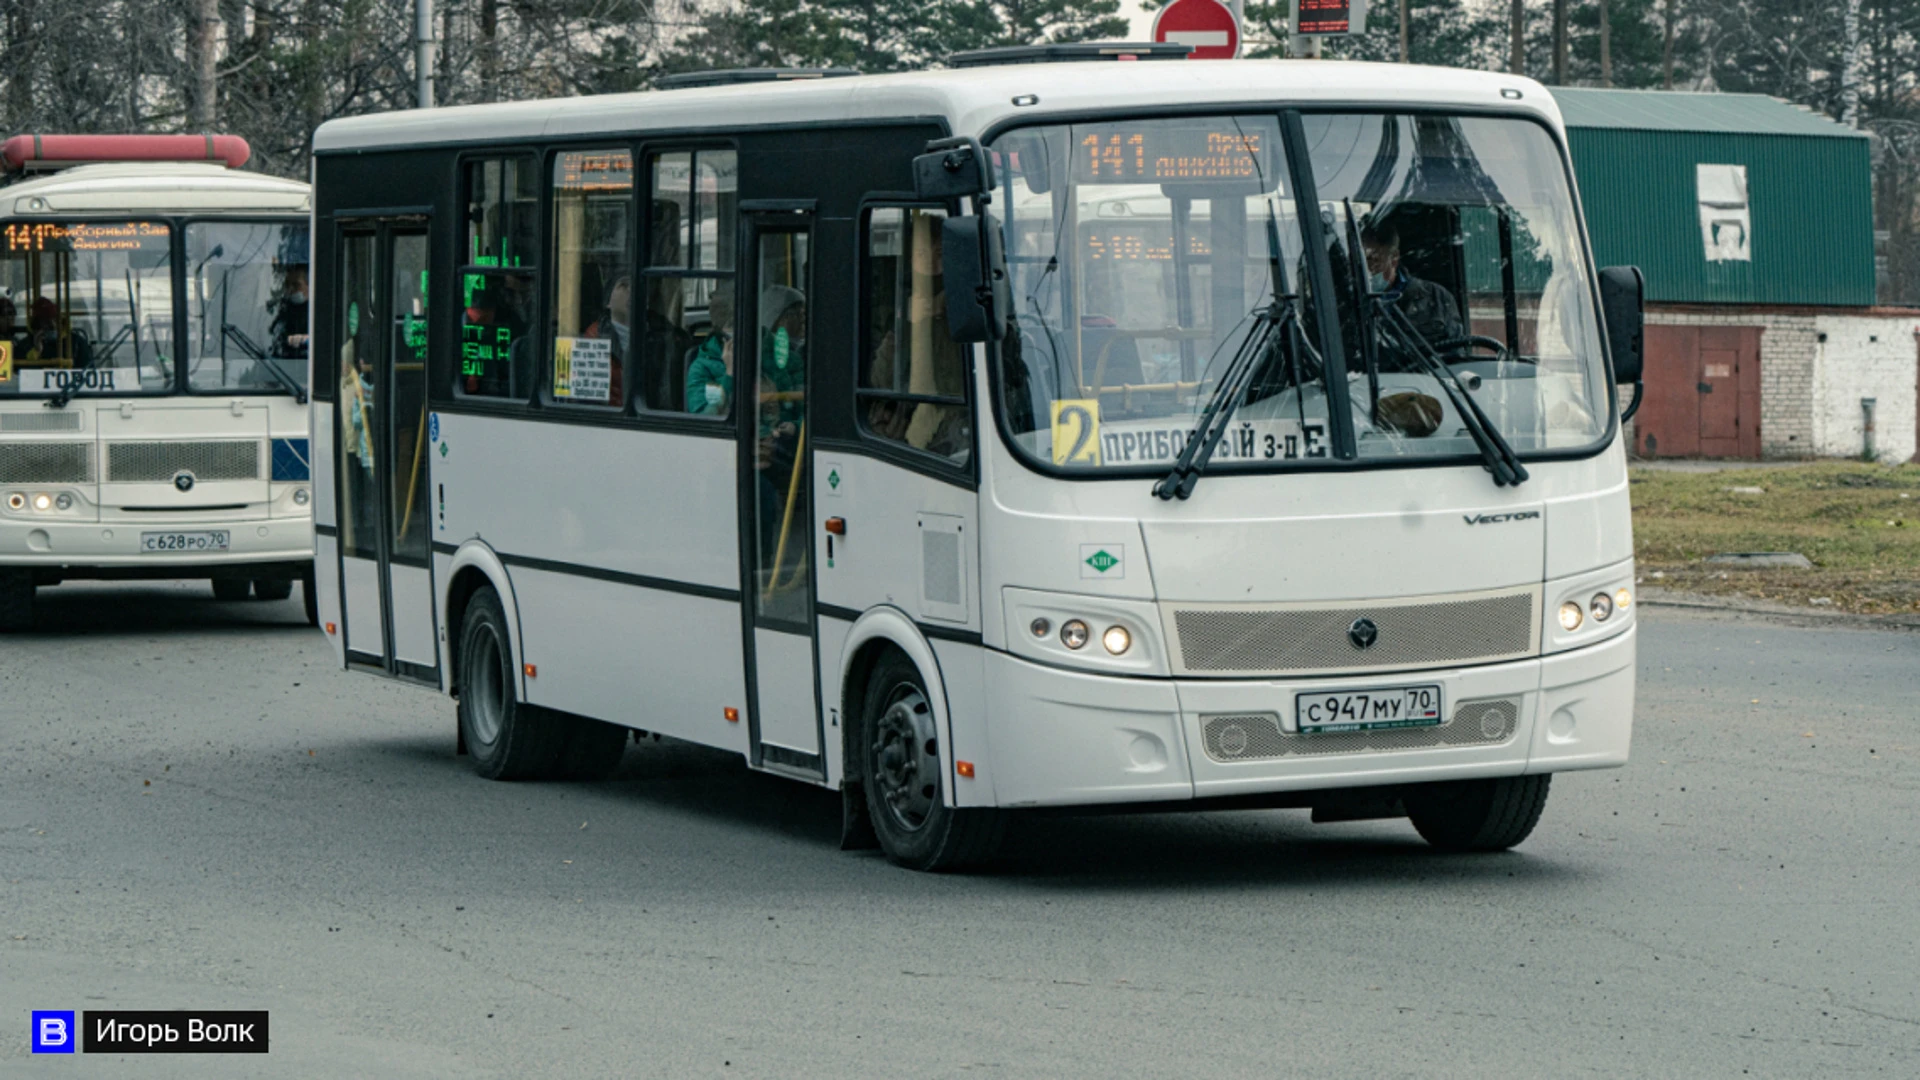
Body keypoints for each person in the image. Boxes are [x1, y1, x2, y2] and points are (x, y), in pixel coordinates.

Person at [1361, 220, 1462, 350]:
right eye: (1362, 262)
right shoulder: (1348, 303)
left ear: (1394, 257)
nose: (1368, 269)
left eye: (1374, 260)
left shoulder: (1437, 298)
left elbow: (1457, 356)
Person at [684, 286, 735, 415]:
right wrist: (729, 374)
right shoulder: (700, 368)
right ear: (722, 333)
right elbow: (704, 418)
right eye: (732, 325)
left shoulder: (765, 351)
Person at [582, 273, 630, 404]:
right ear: (608, 302)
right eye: (624, 285)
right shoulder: (595, 337)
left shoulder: (659, 336)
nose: (631, 290)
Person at [269, 265, 310, 360]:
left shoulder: (317, 312)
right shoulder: (283, 311)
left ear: (309, 286)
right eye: (287, 285)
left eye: (296, 285)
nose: (290, 290)